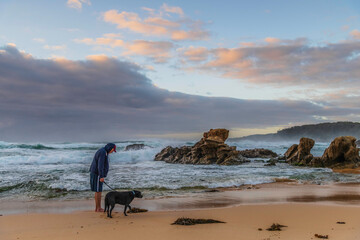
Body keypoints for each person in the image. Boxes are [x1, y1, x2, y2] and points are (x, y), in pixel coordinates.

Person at [89, 143, 116, 212]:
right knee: (98, 191)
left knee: (98, 191)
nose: (112, 151)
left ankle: (98, 208)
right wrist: (101, 176)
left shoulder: (103, 151)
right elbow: (100, 165)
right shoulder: (103, 152)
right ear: (110, 148)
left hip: (96, 173)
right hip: (97, 174)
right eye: (113, 150)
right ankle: (98, 208)